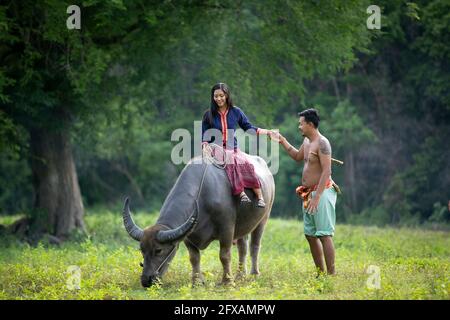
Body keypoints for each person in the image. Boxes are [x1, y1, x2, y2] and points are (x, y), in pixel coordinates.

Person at [271, 108, 338, 275]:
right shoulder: (307, 142)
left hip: (322, 193)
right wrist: (282, 140)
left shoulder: (322, 143)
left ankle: (331, 274)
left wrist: (318, 197)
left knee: (324, 234)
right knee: (310, 235)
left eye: (301, 124)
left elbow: (326, 171)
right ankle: (320, 273)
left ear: (310, 124)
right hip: (308, 193)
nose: (299, 127)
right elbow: (297, 156)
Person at [201, 82, 274, 208]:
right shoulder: (208, 115)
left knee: (246, 164)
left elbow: (249, 128)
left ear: (227, 95)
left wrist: (267, 132)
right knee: (229, 159)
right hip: (216, 149)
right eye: (216, 96)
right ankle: (240, 193)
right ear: (212, 97)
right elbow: (204, 135)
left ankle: (260, 196)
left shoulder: (236, 112)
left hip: (233, 149)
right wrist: (205, 145)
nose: (219, 99)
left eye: (221, 95)